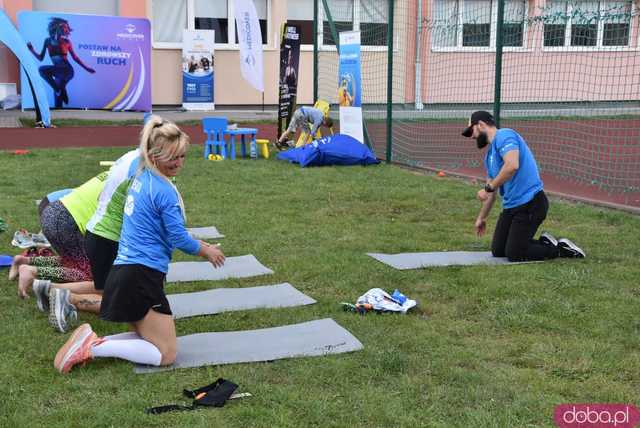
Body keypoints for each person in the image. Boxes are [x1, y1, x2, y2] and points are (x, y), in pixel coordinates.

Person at [53, 116, 225, 374]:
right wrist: (207, 251)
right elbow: (178, 238)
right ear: (155, 156)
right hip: (141, 276)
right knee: (166, 353)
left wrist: (197, 242)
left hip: (129, 271)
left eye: (183, 156)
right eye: (173, 158)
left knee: (151, 341)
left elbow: (163, 230)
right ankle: (92, 346)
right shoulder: (163, 190)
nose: (179, 163)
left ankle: (90, 343)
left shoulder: (142, 177)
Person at [31, 149, 141, 333]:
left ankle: (34, 269)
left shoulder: (122, 167)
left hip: (58, 212)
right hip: (68, 221)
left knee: (82, 268)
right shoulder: (134, 178)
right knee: (90, 278)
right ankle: (51, 288)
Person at [462, 111, 585, 261]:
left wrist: (489, 188)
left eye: (471, 130)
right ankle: (544, 242)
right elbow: (491, 194)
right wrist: (481, 218)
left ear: (481, 125)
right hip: (511, 208)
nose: (471, 136)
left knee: (515, 254)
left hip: (531, 204)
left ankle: (560, 249)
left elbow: (512, 166)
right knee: (499, 251)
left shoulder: (505, 135)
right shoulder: (489, 157)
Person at [27, 17, 95, 108]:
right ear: (58, 26)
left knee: (43, 71)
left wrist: (87, 68)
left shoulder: (67, 42)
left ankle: (59, 89)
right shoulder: (47, 41)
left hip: (67, 70)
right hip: (58, 73)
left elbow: (75, 57)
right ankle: (60, 92)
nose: (67, 29)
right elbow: (40, 58)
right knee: (57, 97)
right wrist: (32, 50)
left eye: (68, 27)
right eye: (65, 27)